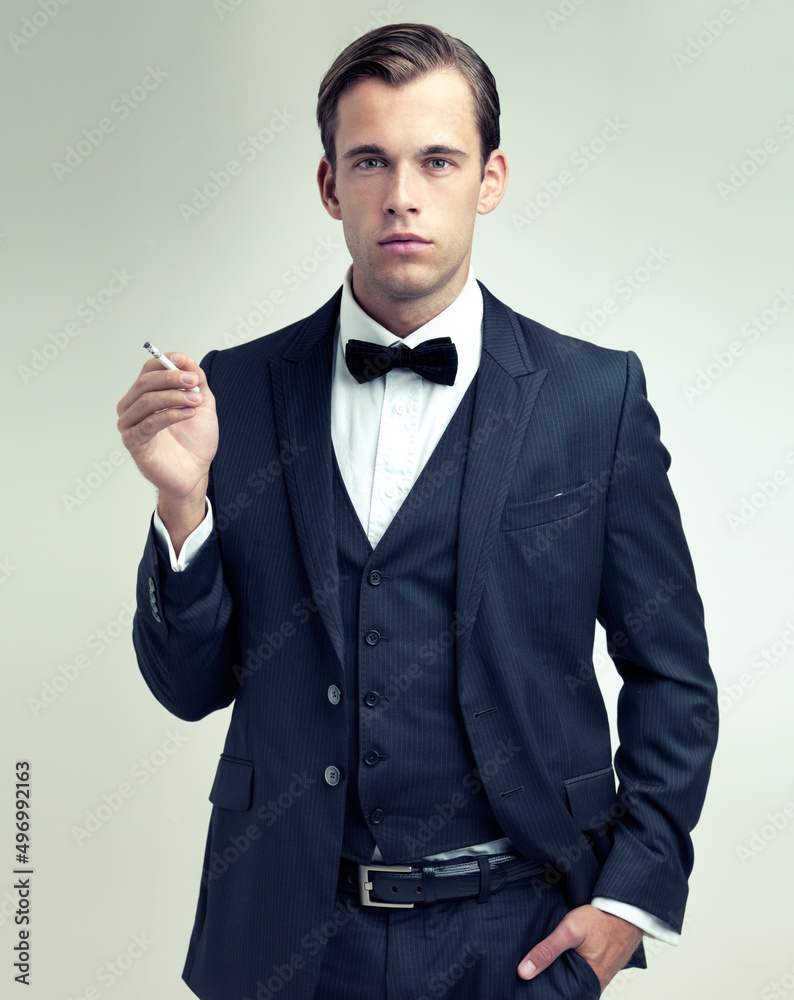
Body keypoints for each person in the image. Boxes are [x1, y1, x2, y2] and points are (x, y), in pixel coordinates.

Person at [117, 22, 718, 1000]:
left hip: (520, 937)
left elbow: (672, 673)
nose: (401, 194)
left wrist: (627, 899)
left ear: (489, 177)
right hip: (286, 941)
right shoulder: (238, 390)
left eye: (436, 160)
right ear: (328, 187)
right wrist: (181, 503)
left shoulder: (591, 398)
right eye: (369, 161)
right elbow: (190, 686)